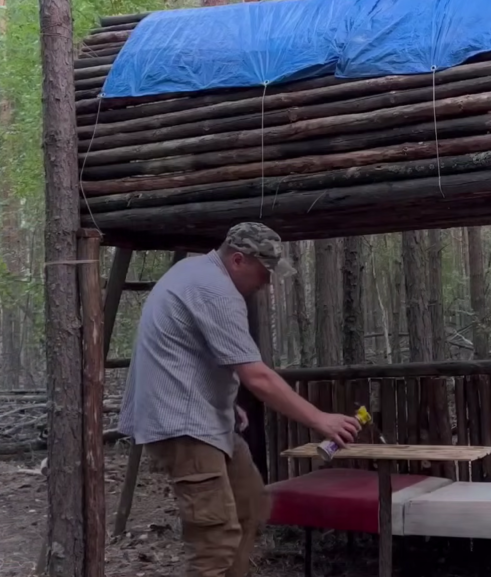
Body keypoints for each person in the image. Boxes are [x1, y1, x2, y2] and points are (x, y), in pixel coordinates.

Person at [117, 221, 362, 577]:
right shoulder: (215, 290)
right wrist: (320, 419)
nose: (266, 282)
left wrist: (225, 402)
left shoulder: (194, 273)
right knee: (215, 540)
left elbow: (185, 353)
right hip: (184, 427)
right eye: (264, 271)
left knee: (250, 503)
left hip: (204, 418)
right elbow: (257, 377)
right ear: (237, 260)